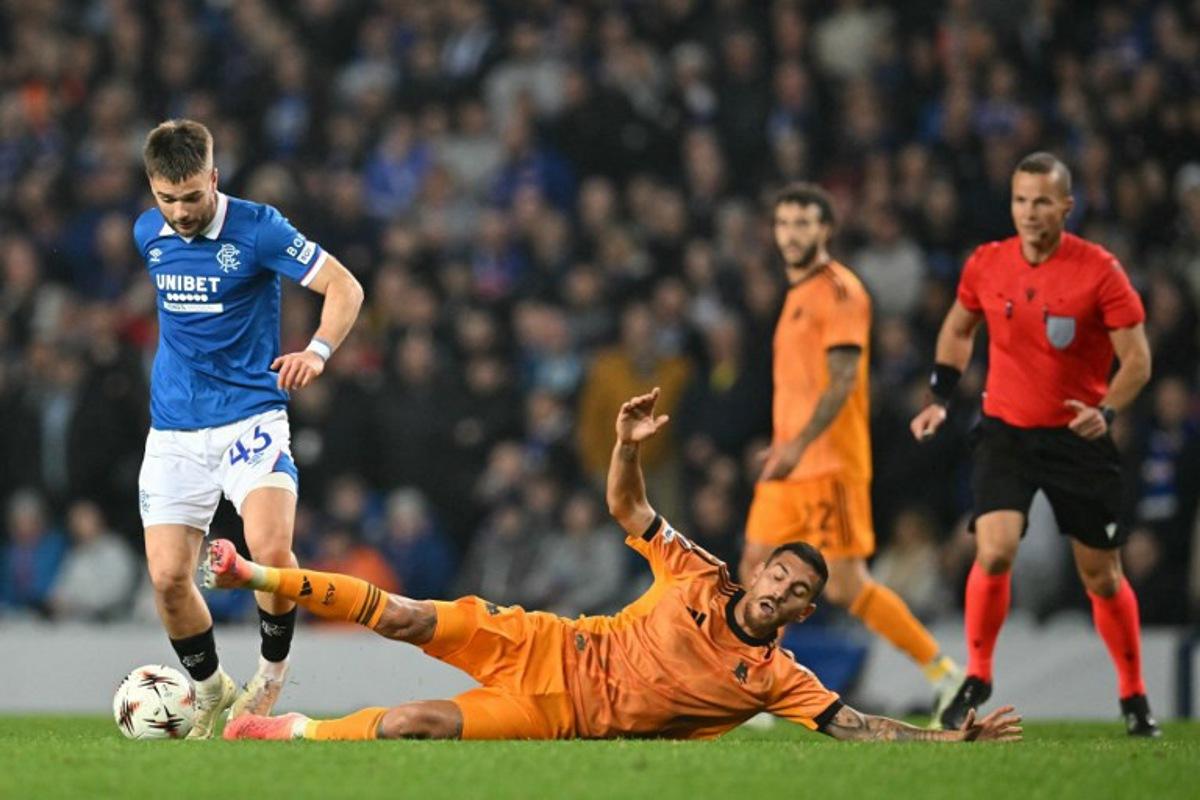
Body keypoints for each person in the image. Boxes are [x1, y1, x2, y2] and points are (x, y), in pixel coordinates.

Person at [209, 389, 1022, 745]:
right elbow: (630, 512)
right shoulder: (700, 571)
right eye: (779, 574)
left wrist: (953, 744)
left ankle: (280, 734)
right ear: (763, 569)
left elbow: (855, 727)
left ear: (806, 611)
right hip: (546, 644)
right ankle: (258, 576)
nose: (781, 591)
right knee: (408, 614)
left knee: (417, 724)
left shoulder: (776, 678)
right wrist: (626, 448)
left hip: (564, 718)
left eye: (800, 593)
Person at [910, 152, 1159, 736]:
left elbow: (1139, 362)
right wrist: (941, 397)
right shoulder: (987, 264)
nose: (1029, 212)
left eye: (1042, 201)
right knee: (993, 550)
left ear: (1067, 206)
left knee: (1101, 576)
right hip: (1006, 431)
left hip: (1078, 435)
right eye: (1021, 200)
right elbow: (957, 327)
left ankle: (1133, 692)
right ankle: (978, 674)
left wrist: (1107, 409)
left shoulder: (1099, 271)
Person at [134, 119, 364, 738]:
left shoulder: (260, 229)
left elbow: (345, 286)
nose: (180, 212)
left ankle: (269, 675)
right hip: (176, 431)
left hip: (251, 418)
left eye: (190, 196)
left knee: (270, 550)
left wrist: (316, 351)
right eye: (166, 198)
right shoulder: (146, 233)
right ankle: (209, 690)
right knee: (166, 578)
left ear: (213, 177)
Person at [740, 183, 963, 722]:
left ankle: (947, 676)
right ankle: (758, 690)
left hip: (830, 465)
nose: (792, 234)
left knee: (846, 585)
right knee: (754, 565)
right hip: (790, 464)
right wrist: (785, 442)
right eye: (784, 223)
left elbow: (841, 383)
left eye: (804, 224)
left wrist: (798, 442)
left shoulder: (842, 293)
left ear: (827, 231)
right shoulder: (795, 295)